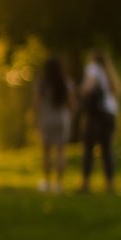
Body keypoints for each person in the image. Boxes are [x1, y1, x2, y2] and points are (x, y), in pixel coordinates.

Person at [78, 48, 120, 194]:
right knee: (107, 149)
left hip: (96, 115)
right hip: (110, 114)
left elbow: (88, 86)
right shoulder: (109, 72)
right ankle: (109, 184)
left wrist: (80, 91)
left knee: (88, 148)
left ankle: (85, 183)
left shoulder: (93, 68)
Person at [32, 57, 74, 193]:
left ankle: (47, 182)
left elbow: (37, 104)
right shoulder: (65, 83)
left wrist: (35, 120)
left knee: (46, 152)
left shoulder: (42, 84)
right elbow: (72, 104)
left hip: (46, 119)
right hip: (61, 119)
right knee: (61, 151)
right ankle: (59, 184)